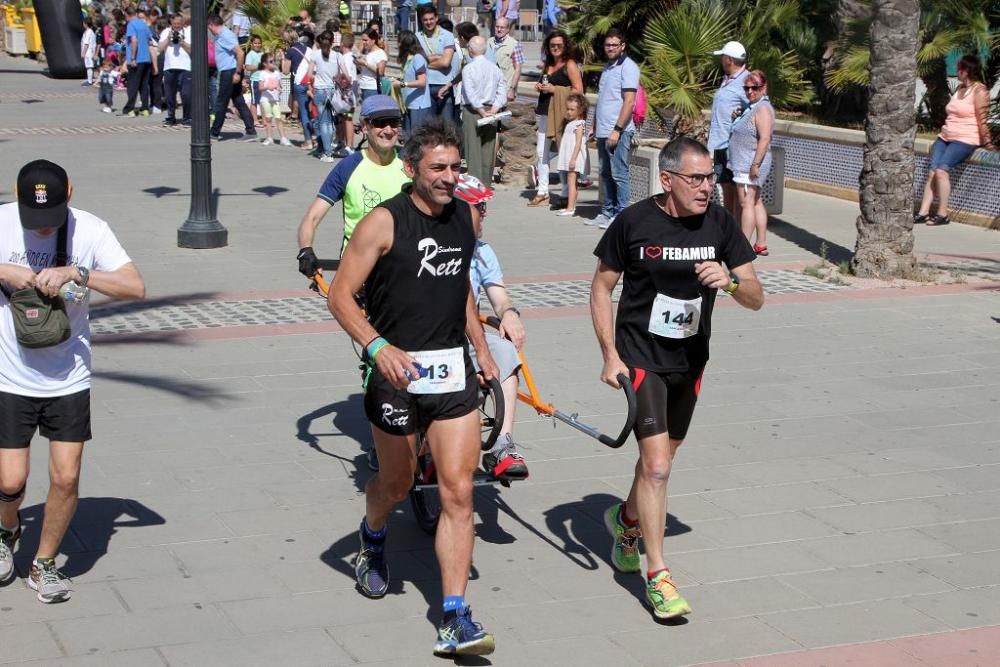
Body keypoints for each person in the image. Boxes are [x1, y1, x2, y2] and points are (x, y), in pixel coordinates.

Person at [327, 117, 499, 657]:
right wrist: (378, 348)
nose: (450, 177)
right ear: (412, 170)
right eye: (439, 168)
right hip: (395, 374)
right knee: (396, 484)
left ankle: (455, 617)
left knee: (458, 491)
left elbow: (460, 290)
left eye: (456, 167)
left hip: (451, 372)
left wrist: (483, 347)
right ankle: (373, 535)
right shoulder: (383, 223)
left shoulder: (466, 218)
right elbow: (340, 295)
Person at [590, 138, 763, 620]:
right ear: (667, 180)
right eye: (696, 178)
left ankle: (625, 521)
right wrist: (609, 355)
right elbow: (601, 288)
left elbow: (756, 295)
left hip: (690, 360)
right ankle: (659, 576)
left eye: (710, 177)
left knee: (662, 460)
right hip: (641, 356)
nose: (707, 187)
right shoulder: (634, 222)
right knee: (659, 466)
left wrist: (729, 282)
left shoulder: (720, 223)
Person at [0, 159, 145, 603]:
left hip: (69, 376)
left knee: (65, 478)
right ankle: (6, 531)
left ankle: (44, 564)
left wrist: (79, 273)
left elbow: (135, 287)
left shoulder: (91, 229)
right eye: (34, 220)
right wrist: (5, 270)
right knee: (9, 481)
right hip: (10, 374)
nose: (42, 230)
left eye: (51, 219)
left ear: (71, 193)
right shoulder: (3, 221)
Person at [455, 175, 530, 480]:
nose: (484, 213)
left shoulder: (482, 251)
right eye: (479, 207)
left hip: (470, 332)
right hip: (433, 334)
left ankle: (503, 443)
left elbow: (498, 296)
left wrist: (509, 313)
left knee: (505, 350)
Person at [297, 95, 411, 270]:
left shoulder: (411, 163)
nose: (388, 130)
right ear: (365, 127)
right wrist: (306, 250)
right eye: (380, 122)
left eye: (394, 122)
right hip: (357, 269)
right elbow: (312, 218)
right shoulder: (348, 167)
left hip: (403, 268)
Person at [916, 54, 996, 227]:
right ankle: (923, 212)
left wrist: (988, 143)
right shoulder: (960, 88)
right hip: (945, 136)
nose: (957, 71)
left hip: (966, 138)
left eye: (960, 68)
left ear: (966, 71)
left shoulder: (980, 91)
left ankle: (942, 214)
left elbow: (982, 119)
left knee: (942, 171)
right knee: (932, 171)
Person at [587, 28, 640, 229]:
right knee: (606, 174)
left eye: (614, 45)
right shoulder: (608, 68)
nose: (610, 48)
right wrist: (594, 126)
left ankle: (622, 215)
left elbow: (629, 102)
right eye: (607, 45)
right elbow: (603, 100)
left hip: (618, 131)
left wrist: (617, 129)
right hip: (603, 130)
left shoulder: (629, 67)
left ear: (622, 46)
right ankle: (607, 211)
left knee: (619, 173)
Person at [527, 30, 583, 208]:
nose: (556, 48)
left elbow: (579, 90)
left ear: (565, 45)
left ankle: (566, 193)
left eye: (559, 45)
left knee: (563, 152)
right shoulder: (547, 64)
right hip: (544, 112)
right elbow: (545, 82)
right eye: (552, 45)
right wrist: (539, 86)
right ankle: (543, 191)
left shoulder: (570, 65)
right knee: (542, 153)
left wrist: (555, 90)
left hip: (561, 115)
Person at [728, 69, 774, 255]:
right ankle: (760, 242)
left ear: (764, 88)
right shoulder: (754, 106)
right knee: (755, 202)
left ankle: (743, 246)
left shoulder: (762, 109)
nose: (750, 92)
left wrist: (754, 165)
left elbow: (764, 139)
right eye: (746, 88)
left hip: (749, 163)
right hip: (747, 162)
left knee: (746, 203)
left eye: (754, 88)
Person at [707, 40, 749, 216]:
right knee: (725, 188)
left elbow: (755, 110)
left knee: (739, 193)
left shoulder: (747, 81)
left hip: (734, 148)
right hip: (719, 146)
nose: (721, 60)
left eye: (723, 57)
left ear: (729, 60)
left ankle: (738, 231)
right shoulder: (726, 80)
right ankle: (728, 227)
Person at [460, 36, 505, 187]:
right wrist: (494, 109)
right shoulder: (495, 68)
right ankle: (486, 184)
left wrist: (480, 110)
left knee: (473, 152)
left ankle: (475, 186)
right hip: (491, 110)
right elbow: (502, 91)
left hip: (472, 111)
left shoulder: (468, 69)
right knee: (488, 150)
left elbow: (470, 92)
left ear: (471, 50)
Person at [207, 13, 256, 141]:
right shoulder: (222, 35)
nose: (208, 29)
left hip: (229, 72)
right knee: (238, 101)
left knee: (221, 102)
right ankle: (251, 130)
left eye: (208, 26)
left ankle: (214, 132)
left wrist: (238, 73)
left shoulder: (225, 35)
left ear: (212, 24)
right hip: (228, 71)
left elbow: (240, 53)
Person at [305, 31, 343, 161]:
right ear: (333, 41)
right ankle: (329, 148)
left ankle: (327, 153)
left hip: (320, 90)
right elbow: (342, 74)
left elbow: (309, 74)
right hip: (332, 90)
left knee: (323, 122)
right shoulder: (338, 56)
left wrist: (317, 76)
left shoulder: (315, 55)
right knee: (330, 121)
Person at [416, 5, 457, 123]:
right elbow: (416, 61)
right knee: (429, 127)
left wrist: (425, 62)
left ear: (436, 18)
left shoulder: (448, 36)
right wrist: (438, 57)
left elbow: (445, 63)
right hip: (425, 86)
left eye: (431, 19)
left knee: (447, 126)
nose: (428, 22)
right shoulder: (417, 36)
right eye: (425, 20)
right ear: (421, 20)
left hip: (444, 86)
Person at [393, 30, 431, 139]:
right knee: (408, 137)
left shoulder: (418, 58)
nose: (398, 44)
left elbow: (422, 82)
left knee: (417, 138)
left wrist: (402, 84)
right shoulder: (408, 59)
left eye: (399, 42)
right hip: (408, 104)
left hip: (418, 105)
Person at [556, 93, 589, 218]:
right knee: (572, 183)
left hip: (573, 157)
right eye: (568, 109)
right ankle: (571, 206)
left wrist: (573, 159)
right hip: (569, 156)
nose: (569, 112)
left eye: (572, 109)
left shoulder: (579, 124)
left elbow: (579, 142)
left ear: (580, 110)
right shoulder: (570, 123)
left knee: (571, 182)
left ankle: (570, 208)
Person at [158, 13, 192, 126]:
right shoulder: (165, 32)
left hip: (185, 67)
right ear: (171, 23)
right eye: (175, 24)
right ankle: (171, 116)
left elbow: (193, 50)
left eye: (179, 23)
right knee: (170, 94)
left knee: (186, 94)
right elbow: (159, 48)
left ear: (183, 22)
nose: (177, 26)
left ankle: (187, 117)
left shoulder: (188, 32)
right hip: (169, 67)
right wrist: (168, 39)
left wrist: (182, 42)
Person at [285, 31, 315, 150]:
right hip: (311, 81)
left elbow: (285, 71)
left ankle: (308, 141)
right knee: (313, 111)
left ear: (288, 41)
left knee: (303, 112)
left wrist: (284, 57)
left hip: (300, 82)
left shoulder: (290, 51)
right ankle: (316, 137)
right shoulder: (309, 49)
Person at [121, 6, 153, 117]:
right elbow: (150, 40)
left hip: (136, 60)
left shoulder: (131, 25)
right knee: (144, 85)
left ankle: (130, 108)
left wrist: (133, 58)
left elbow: (134, 40)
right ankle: (145, 108)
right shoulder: (143, 24)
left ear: (127, 14)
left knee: (133, 85)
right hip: (146, 59)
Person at [257, 54, 291, 146]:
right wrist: (267, 87)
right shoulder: (262, 74)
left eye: (274, 61)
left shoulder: (277, 73)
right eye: (271, 61)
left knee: (278, 118)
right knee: (268, 118)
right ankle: (269, 138)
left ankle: (283, 138)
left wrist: (279, 89)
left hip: (275, 99)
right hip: (266, 99)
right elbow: (260, 87)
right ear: (265, 64)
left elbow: (279, 85)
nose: (274, 63)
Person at [355, 28, 388, 103]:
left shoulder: (380, 53)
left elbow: (381, 72)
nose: (363, 42)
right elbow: (364, 70)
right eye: (362, 40)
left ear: (373, 40)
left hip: (372, 88)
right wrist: (358, 64)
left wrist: (365, 63)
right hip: (363, 86)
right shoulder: (367, 52)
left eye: (365, 40)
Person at [244, 35, 264, 129]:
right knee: (254, 101)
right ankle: (255, 120)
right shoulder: (250, 54)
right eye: (255, 43)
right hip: (255, 80)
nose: (257, 45)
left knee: (263, 101)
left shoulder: (263, 53)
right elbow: (247, 67)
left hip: (263, 81)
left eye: (259, 43)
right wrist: (258, 66)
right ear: (252, 44)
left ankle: (264, 120)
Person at [80, 18, 97, 86]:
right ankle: (89, 79)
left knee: (89, 66)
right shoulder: (88, 31)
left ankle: (89, 81)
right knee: (89, 66)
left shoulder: (89, 32)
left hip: (88, 52)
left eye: (84, 23)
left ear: (86, 24)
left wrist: (83, 53)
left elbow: (86, 43)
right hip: (89, 51)